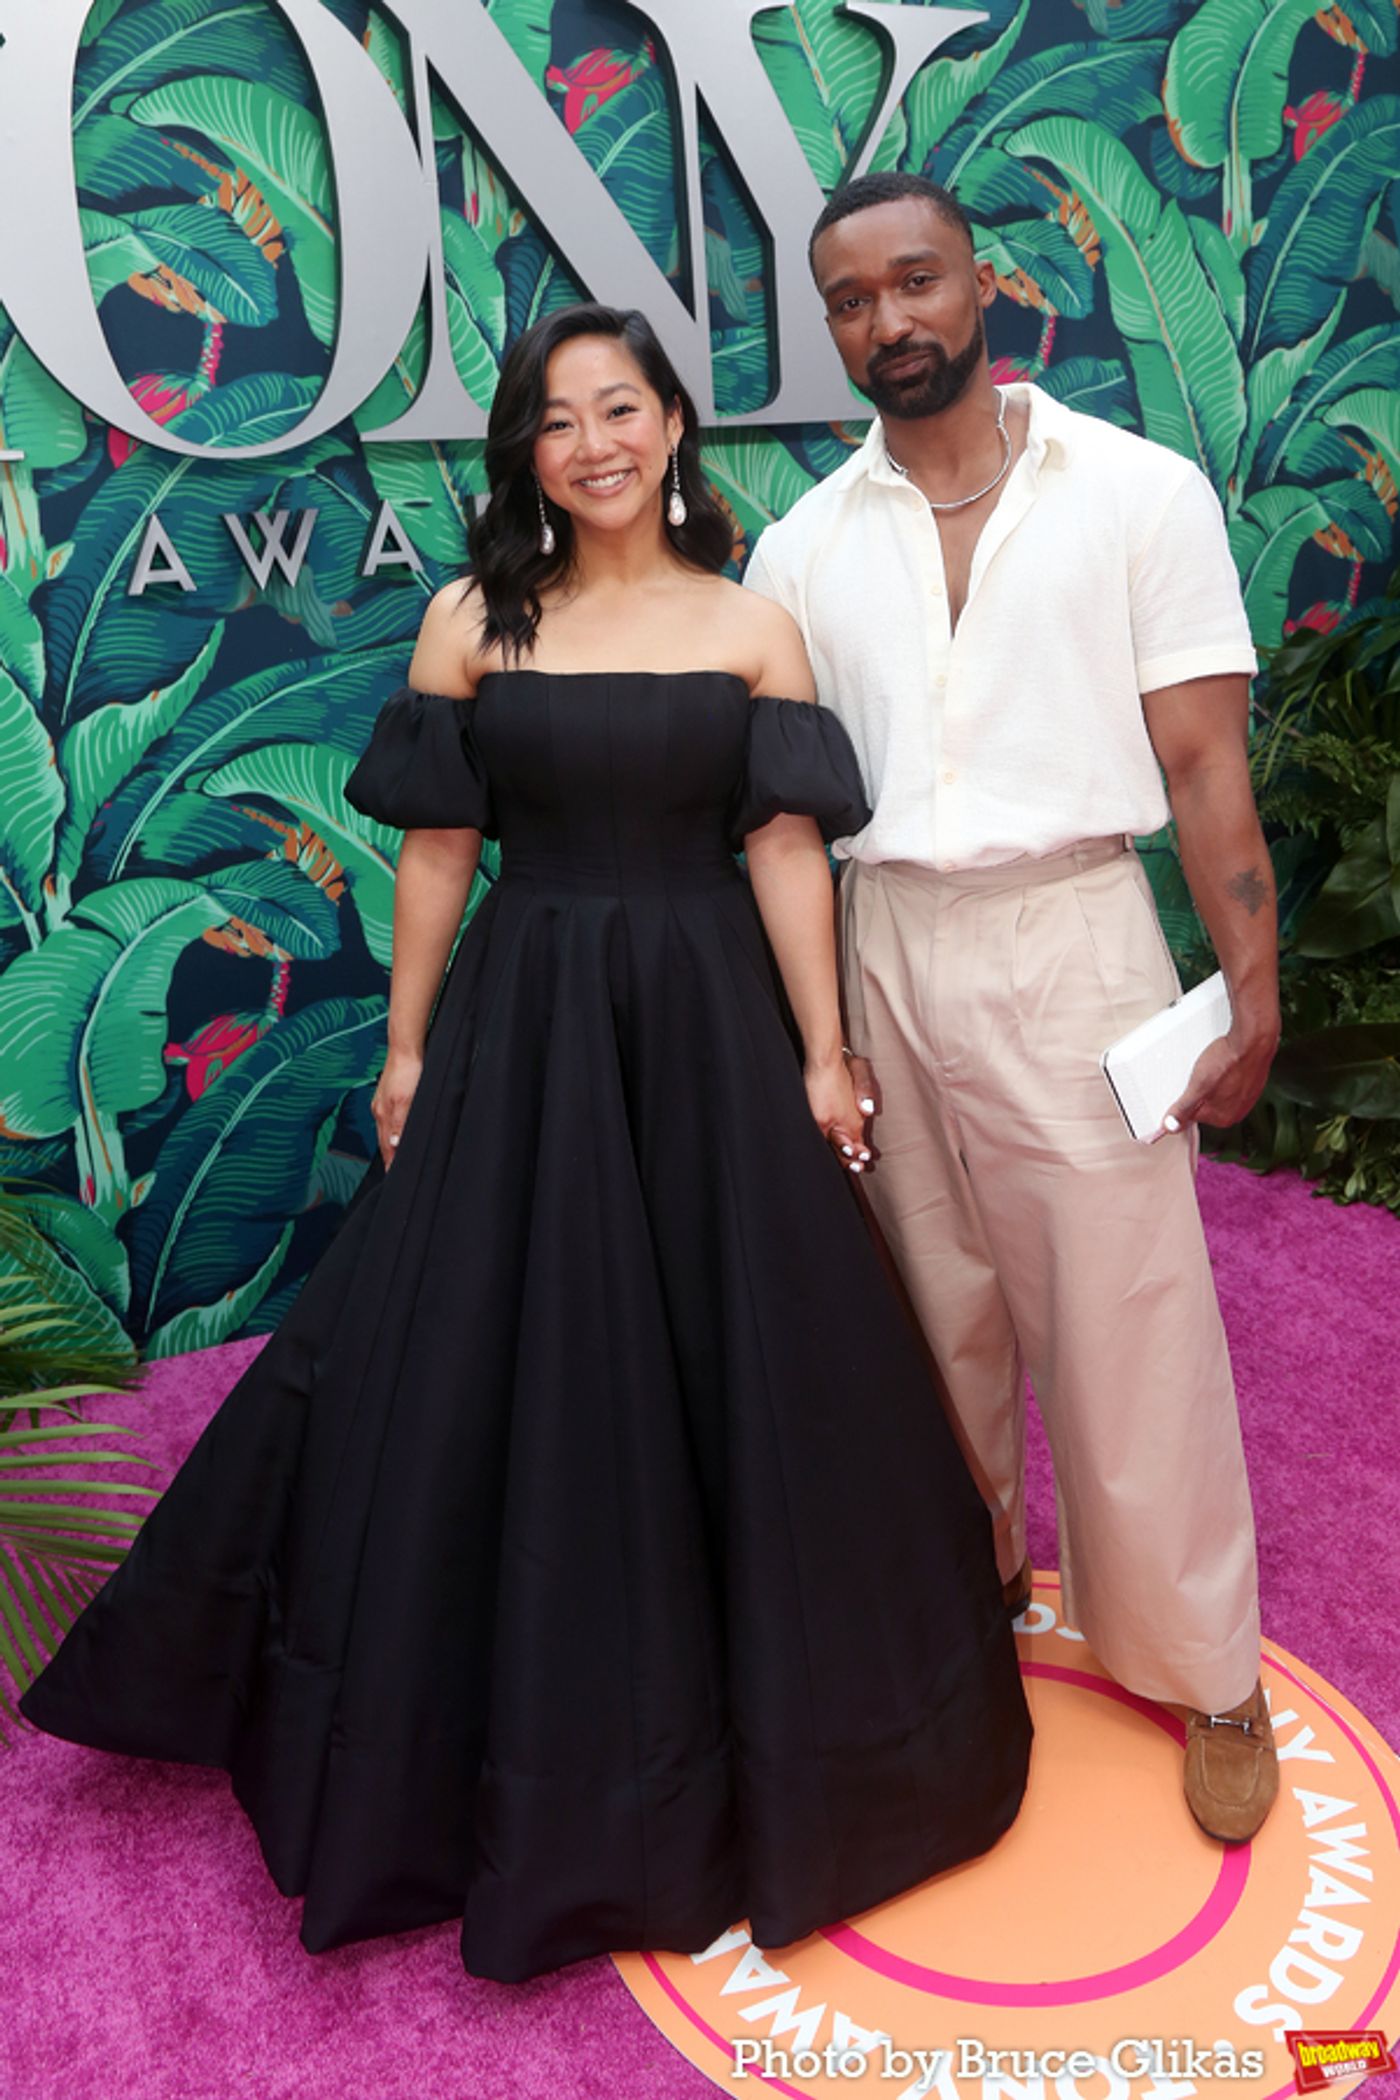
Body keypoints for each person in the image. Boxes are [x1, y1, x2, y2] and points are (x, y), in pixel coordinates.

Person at [21, 302, 1032, 1983]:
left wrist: (827, 1057)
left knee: (754, 1357)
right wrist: (409, 1045)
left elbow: (789, 853)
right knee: (499, 1355)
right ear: (526, 454)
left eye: (621, 407)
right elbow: (434, 855)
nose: (595, 443)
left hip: (712, 1022)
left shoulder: (749, 625)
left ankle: (799, 1744)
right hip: (533, 1011)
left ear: (672, 427)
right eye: (558, 420)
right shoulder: (471, 622)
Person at [744, 173, 1281, 1844]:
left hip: (1077, 937)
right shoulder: (800, 545)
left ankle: (1208, 1670)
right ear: (830, 328)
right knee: (929, 1310)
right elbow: (781, 811)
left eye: (917, 282)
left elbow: (1203, 766)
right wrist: (819, 1033)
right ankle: (969, 1592)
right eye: (852, 301)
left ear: (988, 284)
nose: (888, 321)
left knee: (1130, 1315)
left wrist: (1251, 994)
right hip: (886, 930)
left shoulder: (1139, 492)